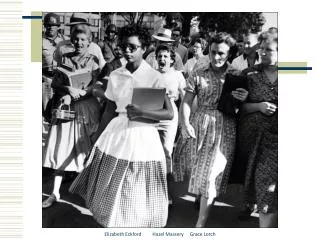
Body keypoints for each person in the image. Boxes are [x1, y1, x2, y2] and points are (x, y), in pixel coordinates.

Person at [69, 24, 174, 227]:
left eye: (133, 47)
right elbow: (109, 110)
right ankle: (113, 223)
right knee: (113, 183)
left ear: (144, 49)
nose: (127, 51)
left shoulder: (154, 76)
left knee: (136, 184)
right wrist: (96, 140)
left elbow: (168, 113)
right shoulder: (116, 74)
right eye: (124, 46)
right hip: (117, 134)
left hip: (143, 136)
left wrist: (143, 112)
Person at [172, 32, 248, 227]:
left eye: (221, 53)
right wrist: (185, 123)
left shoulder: (236, 75)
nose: (216, 57)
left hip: (225, 129)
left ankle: (200, 225)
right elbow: (187, 102)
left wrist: (242, 98)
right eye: (213, 52)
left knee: (211, 175)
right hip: (200, 125)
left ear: (229, 53)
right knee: (198, 170)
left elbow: (242, 107)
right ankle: (201, 197)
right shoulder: (198, 72)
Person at [42, 25, 101, 208]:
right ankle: (55, 192)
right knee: (62, 148)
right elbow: (56, 85)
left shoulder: (94, 61)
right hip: (66, 110)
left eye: (83, 39)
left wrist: (82, 93)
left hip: (86, 109)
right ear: (71, 40)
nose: (79, 42)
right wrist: (67, 89)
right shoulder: (64, 58)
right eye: (76, 39)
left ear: (89, 41)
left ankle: (88, 193)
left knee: (86, 149)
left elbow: (97, 87)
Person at [237, 32, 278, 228]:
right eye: (261, 48)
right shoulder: (250, 74)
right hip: (258, 140)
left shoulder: (296, 69)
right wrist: (259, 105)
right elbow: (241, 108)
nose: (263, 52)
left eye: (268, 50)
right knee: (264, 184)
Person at [155, 44, 186, 206]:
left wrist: (183, 120)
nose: (162, 59)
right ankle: (151, 190)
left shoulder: (178, 75)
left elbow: (185, 99)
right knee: (151, 152)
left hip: (169, 116)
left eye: (165, 56)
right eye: (159, 56)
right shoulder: (152, 74)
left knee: (166, 152)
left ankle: (166, 194)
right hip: (152, 114)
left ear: (172, 59)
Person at [42, 13, 67, 119]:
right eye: (48, 25)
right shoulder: (37, 41)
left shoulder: (65, 41)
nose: (50, 27)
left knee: (60, 110)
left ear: (59, 26)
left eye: (53, 25)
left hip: (61, 80)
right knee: (46, 110)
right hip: (46, 79)